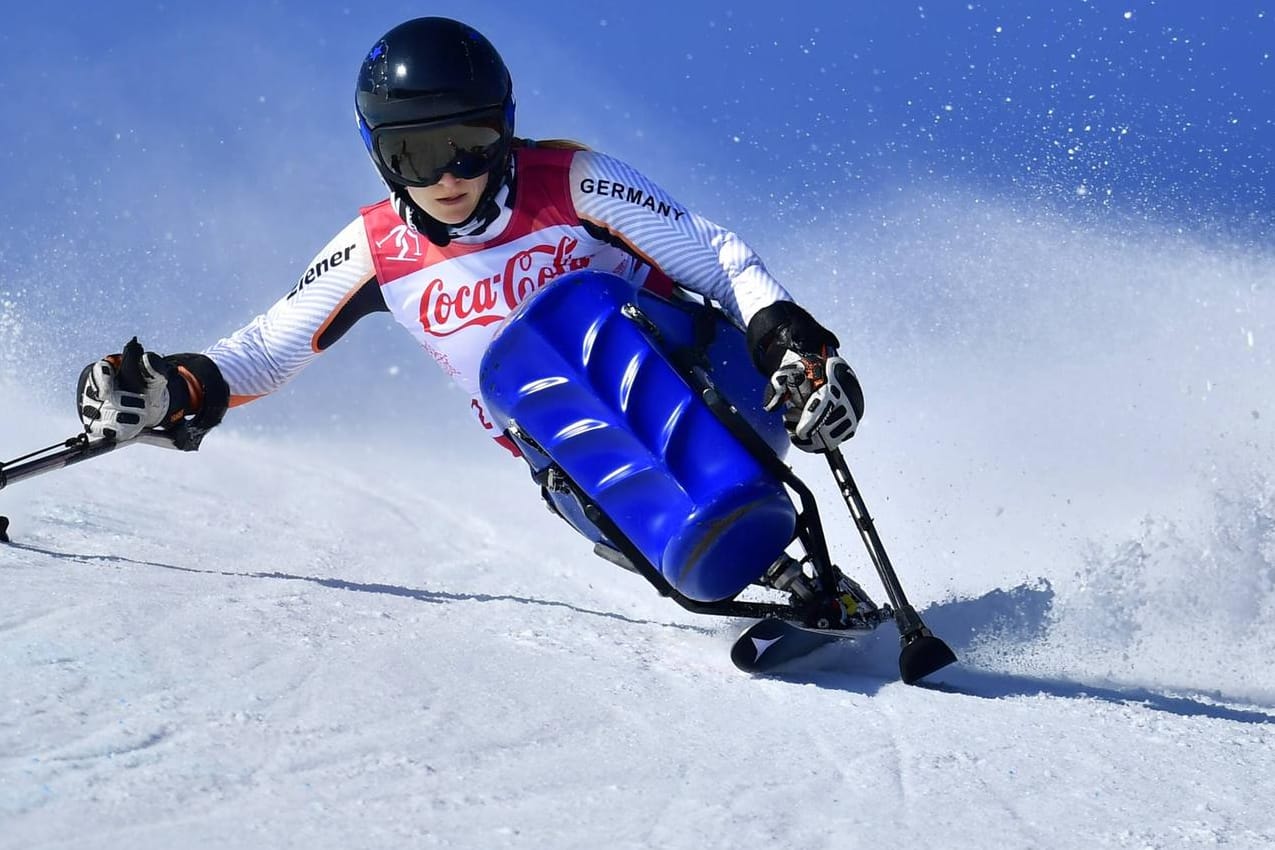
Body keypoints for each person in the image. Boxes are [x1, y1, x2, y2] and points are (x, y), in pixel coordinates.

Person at [77, 17, 865, 604]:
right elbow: (266, 349)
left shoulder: (571, 182)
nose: (449, 173)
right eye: (415, 154)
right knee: (519, 372)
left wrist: (793, 348)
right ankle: (771, 572)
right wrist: (169, 387)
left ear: (505, 128)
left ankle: (736, 517)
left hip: (718, 396)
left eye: (471, 141)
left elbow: (715, 254)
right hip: (602, 478)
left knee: (569, 314)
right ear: (380, 155)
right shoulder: (376, 252)